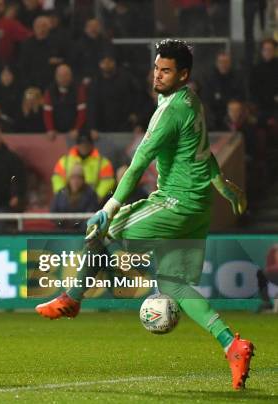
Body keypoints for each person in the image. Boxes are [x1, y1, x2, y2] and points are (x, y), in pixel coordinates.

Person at [35, 39, 254, 390]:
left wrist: (109, 206)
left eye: (166, 71)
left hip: (174, 202)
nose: (158, 75)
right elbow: (204, 153)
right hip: (197, 208)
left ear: (183, 74)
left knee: (99, 232)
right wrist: (225, 188)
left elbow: (139, 162)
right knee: (174, 285)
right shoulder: (192, 103)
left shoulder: (169, 111)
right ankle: (232, 344)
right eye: (156, 68)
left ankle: (72, 298)